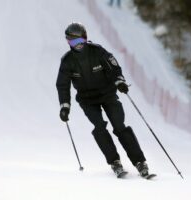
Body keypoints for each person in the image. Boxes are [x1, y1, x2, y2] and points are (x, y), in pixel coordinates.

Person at [56, 22, 150, 177]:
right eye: (72, 42)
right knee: (99, 127)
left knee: (119, 126)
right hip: (87, 100)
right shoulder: (67, 61)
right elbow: (62, 85)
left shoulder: (98, 51)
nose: (77, 45)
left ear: (85, 39)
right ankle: (114, 161)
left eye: (79, 41)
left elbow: (114, 68)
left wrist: (120, 82)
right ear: (68, 42)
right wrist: (65, 106)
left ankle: (140, 161)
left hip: (108, 95)